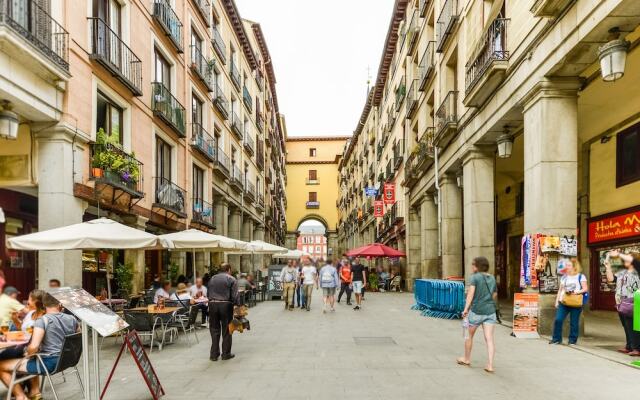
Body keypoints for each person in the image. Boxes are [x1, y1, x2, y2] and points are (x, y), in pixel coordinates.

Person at [0, 292, 79, 400]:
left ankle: (20, 396)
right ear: (60, 304)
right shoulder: (72, 319)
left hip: (49, 363)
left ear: (44, 305)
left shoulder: (42, 320)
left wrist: (27, 352)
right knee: (31, 357)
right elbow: (78, 337)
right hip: (68, 360)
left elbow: (33, 347)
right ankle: (34, 392)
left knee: (1, 366)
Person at [457, 256, 498, 373]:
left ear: (477, 266)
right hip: (490, 312)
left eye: (473, 264)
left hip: (476, 312)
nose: (472, 266)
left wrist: (465, 309)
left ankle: (466, 359)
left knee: (469, 336)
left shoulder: (475, 278)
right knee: (489, 339)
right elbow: (494, 294)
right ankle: (490, 364)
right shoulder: (492, 278)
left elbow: (470, 294)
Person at [604, 251, 640, 356]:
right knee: (626, 325)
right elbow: (611, 279)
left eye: (627, 258)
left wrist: (618, 254)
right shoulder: (622, 271)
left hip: (634, 301)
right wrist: (608, 267)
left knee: (634, 325)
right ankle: (629, 346)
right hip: (621, 302)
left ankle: (637, 348)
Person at [550, 258, 587, 346]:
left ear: (574, 267)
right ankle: (556, 339)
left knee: (574, 322)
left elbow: (585, 288)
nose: (567, 267)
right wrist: (556, 301)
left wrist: (576, 292)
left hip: (576, 302)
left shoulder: (580, 276)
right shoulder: (564, 277)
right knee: (558, 320)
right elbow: (560, 290)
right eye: (567, 265)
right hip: (564, 302)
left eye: (569, 265)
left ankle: (572, 340)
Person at [207, 263, 238, 361]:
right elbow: (235, 296)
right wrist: (237, 305)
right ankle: (226, 354)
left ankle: (214, 354)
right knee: (227, 329)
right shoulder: (231, 279)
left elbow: (208, 293)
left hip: (212, 304)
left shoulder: (212, 278)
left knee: (214, 329)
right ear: (228, 269)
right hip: (225, 305)